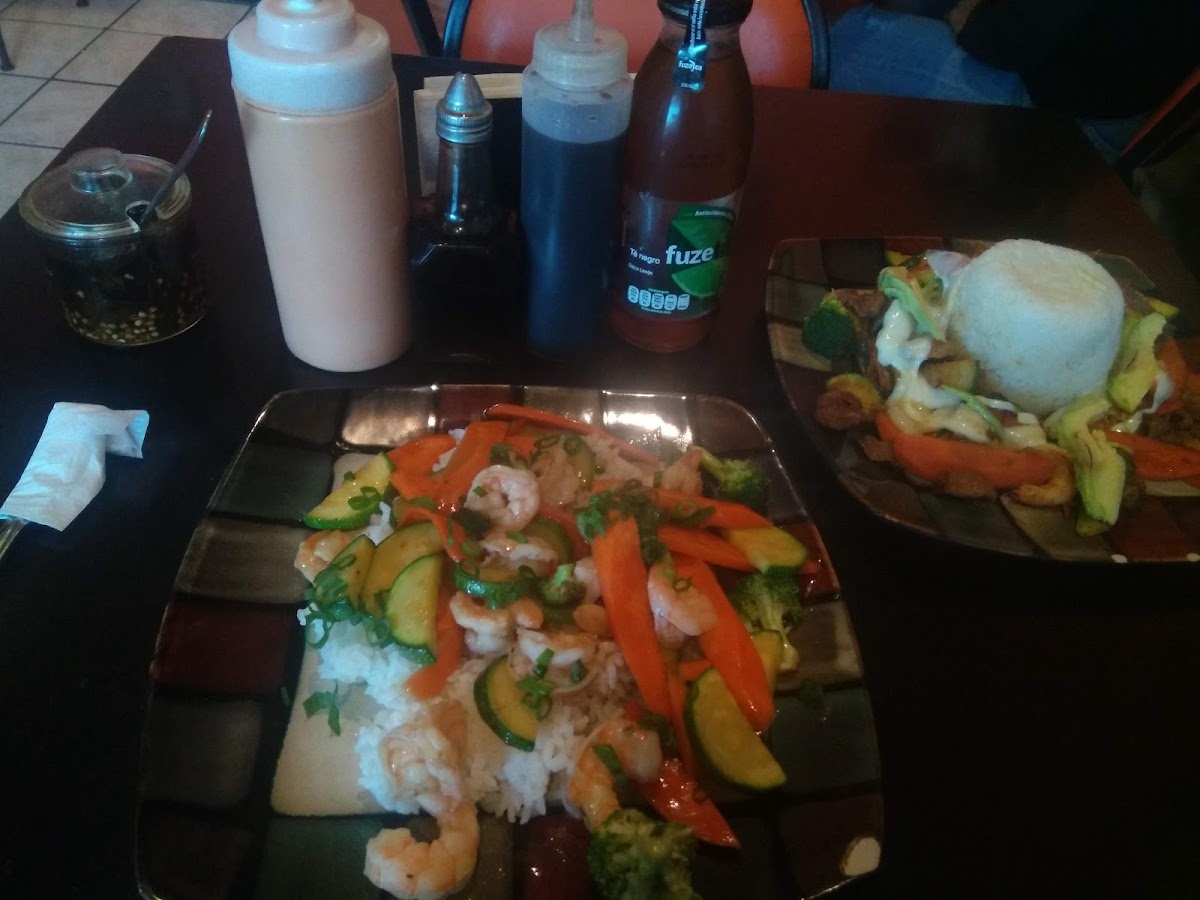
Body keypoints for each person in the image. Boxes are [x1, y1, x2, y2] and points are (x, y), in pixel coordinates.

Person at [826, 0, 1200, 164]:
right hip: (1118, 96)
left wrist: (966, 16)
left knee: (838, 36)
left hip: (1069, 129)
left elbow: (1004, 41)